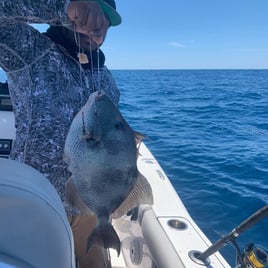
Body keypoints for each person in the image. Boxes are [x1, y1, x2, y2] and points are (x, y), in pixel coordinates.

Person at [0, 0, 121, 267]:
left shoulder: (107, 80)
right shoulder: (31, 52)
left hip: (91, 207)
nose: (96, 29)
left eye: (104, 23)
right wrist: (61, 7)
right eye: (89, 18)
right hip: (37, 205)